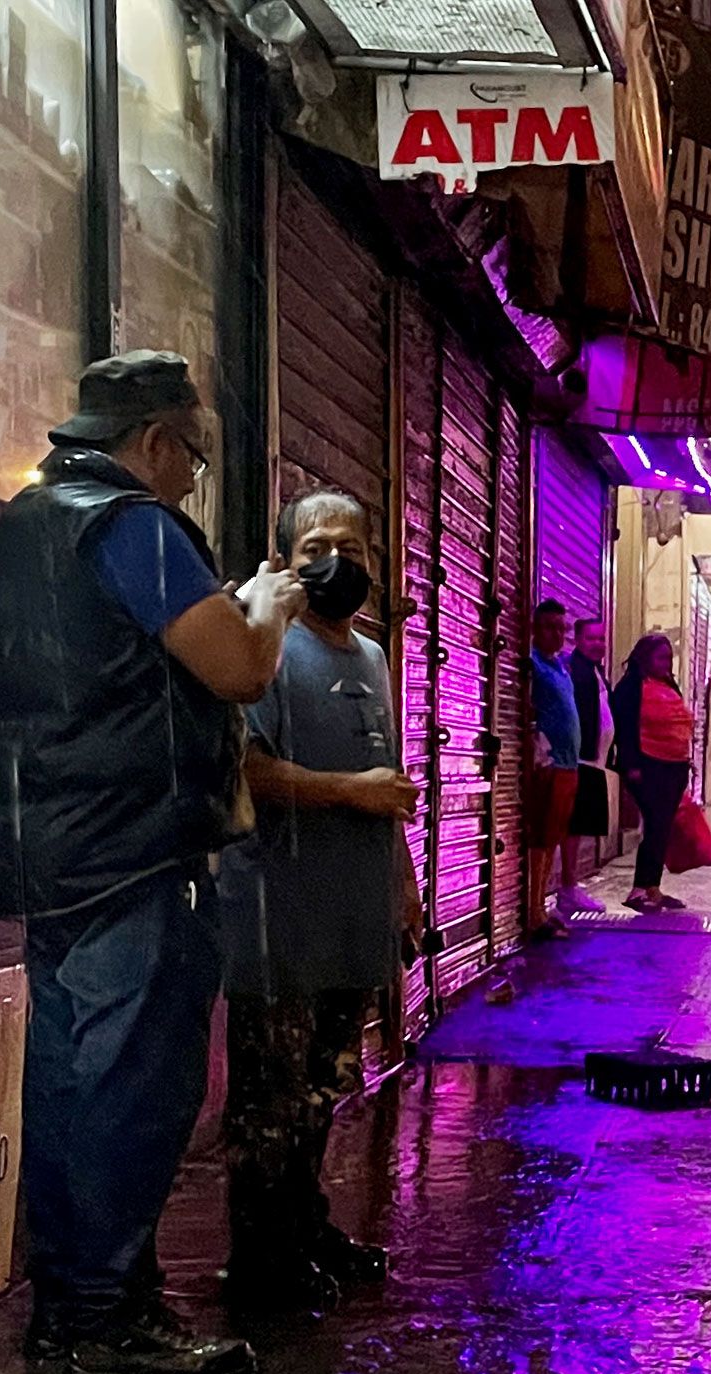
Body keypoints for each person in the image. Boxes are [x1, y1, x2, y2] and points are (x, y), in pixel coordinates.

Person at [0, 350, 293, 1374]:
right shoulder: (134, 527)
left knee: (71, 1080)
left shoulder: (20, 528)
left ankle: (78, 1301)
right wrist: (269, 603)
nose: (191, 476)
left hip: (49, 850)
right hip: (136, 851)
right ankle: (106, 1313)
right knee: (135, 1090)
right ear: (153, 442)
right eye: (190, 455)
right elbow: (235, 665)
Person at [217, 488, 422, 1313]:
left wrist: (404, 890)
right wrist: (351, 793)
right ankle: (262, 1262)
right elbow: (245, 771)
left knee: (324, 1088)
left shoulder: (370, 658)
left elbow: (391, 790)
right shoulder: (261, 651)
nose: (335, 562)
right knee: (270, 1103)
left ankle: (305, 1230)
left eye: (353, 547)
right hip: (278, 920)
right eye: (315, 548)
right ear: (284, 562)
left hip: (351, 919)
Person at [610, 634, 696, 915]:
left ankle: (652, 887)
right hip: (647, 767)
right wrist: (631, 764)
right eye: (660, 657)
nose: (665, 663)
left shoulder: (668, 684)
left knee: (661, 828)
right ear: (644, 657)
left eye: (668, 658)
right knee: (656, 824)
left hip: (673, 767)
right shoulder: (632, 686)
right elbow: (623, 727)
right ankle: (639, 889)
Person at [522, 599, 581, 937]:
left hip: (568, 766)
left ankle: (542, 906)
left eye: (561, 628)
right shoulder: (532, 666)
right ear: (534, 628)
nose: (556, 634)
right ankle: (533, 912)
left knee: (554, 837)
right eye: (549, 627)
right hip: (549, 765)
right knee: (541, 839)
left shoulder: (559, 666)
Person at [560, 613, 612, 914]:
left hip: (593, 760)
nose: (597, 644)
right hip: (579, 759)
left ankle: (570, 885)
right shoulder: (574, 669)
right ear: (577, 640)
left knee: (578, 827)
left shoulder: (593, 671)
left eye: (601, 638)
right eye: (591, 638)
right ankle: (567, 887)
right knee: (571, 826)